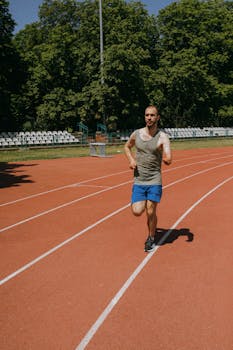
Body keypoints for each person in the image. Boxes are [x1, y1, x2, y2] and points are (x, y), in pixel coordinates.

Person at [124, 105, 172, 252]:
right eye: (147, 115)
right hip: (139, 179)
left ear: (158, 118)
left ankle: (151, 237)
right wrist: (131, 160)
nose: (149, 118)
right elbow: (127, 147)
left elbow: (169, 156)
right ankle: (150, 214)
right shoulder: (136, 134)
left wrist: (167, 159)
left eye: (152, 115)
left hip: (154, 179)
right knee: (137, 211)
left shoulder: (163, 136)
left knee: (150, 211)